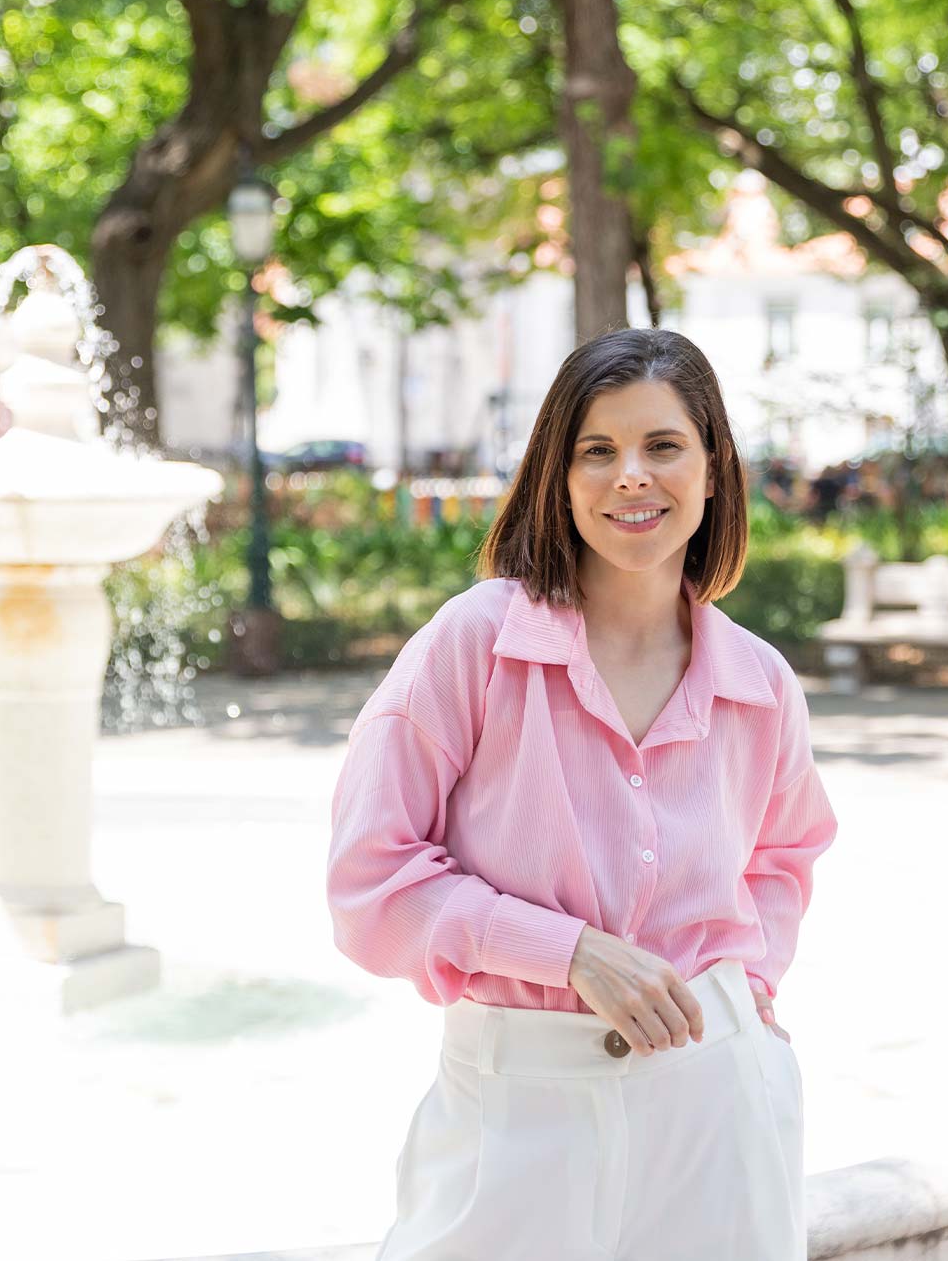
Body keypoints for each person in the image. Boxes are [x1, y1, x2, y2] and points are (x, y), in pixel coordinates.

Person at [326, 328, 838, 1260]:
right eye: (596, 452)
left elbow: (783, 859)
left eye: (663, 446)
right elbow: (371, 883)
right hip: (516, 1111)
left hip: (719, 1114)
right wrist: (568, 954)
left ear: (714, 469)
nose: (631, 476)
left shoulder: (760, 682)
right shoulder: (474, 644)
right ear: (558, 480)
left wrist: (750, 1001)